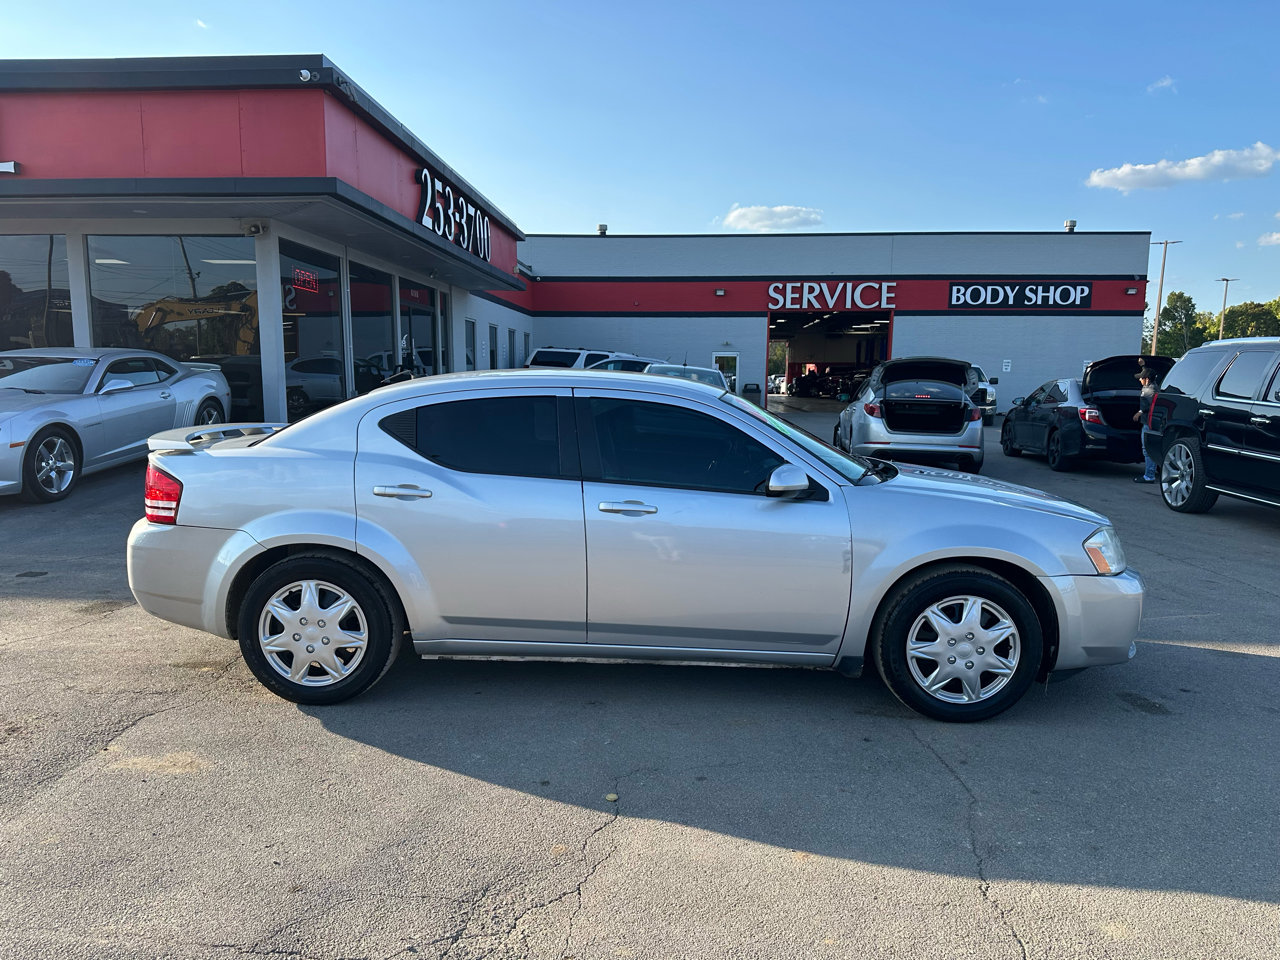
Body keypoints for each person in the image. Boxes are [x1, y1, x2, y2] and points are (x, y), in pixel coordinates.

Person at [1133, 368, 1158, 483]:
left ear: (1147, 379)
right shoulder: (1150, 388)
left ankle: (1149, 475)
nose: (1140, 380)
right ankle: (1151, 473)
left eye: (1141, 378)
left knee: (1147, 450)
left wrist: (1140, 412)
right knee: (1148, 449)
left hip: (1150, 423)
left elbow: (1149, 405)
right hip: (1149, 423)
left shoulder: (1150, 390)